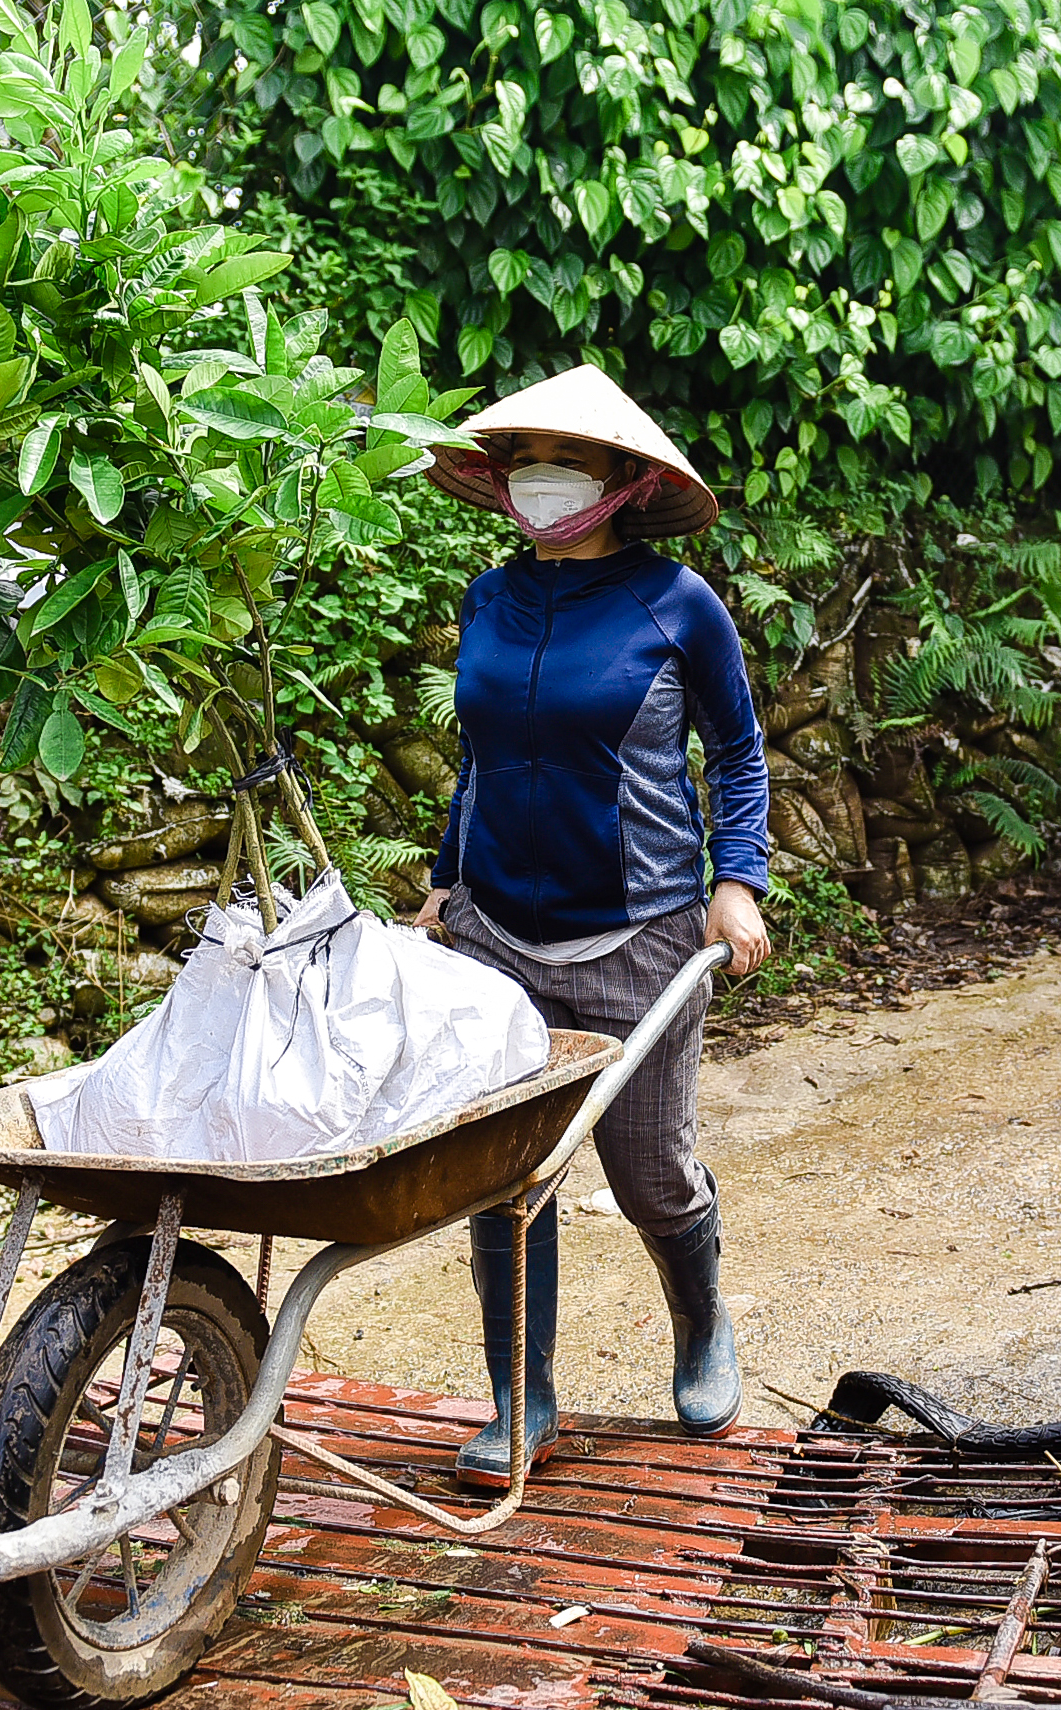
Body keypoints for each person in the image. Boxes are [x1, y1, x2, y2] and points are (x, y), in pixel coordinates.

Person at [417, 364, 773, 1484]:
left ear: (622, 481)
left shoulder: (678, 604)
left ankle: (701, 1322)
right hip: (495, 931)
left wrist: (740, 878)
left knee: (649, 1174)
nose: (537, 481)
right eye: (520, 462)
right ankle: (521, 1397)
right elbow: (474, 759)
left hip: (641, 933)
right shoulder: (489, 597)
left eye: (562, 462)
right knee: (506, 1173)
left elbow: (739, 754)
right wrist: (442, 882)